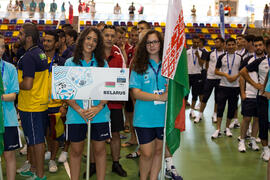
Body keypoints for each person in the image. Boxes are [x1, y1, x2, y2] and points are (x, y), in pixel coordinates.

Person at [65, 27, 110, 180]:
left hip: (99, 114)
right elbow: (65, 91)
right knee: (76, 151)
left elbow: (109, 89)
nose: (91, 42)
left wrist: (99, 106)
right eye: (88, 38)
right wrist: (78, 109)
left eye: (95, 40)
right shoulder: (70, 63)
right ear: (82, 39)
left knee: (99, 151)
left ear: (98, 45)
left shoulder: (102, 64)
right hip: (76, 114)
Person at [129, 29, 167, 180]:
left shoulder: (168, 65)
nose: (152, 45)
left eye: (155, 42)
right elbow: (136, 93)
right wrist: (160, 96)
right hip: (144, 117)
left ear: (160, 43)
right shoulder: (139, 65)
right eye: (148, 42)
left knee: (158, 151)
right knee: (146, 153)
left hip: (163, 116)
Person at [17, 23, 48, 180]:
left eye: (21, 34)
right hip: (39, 103)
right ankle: (35, 168)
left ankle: (40, 175)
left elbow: (27, 84)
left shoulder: (29, 57)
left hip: (31, 105)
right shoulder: (40, 53)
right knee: (35, 140)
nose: (18, 36)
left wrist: (14, 85)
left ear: (28, 38)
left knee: (36, 142)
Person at [103, 25, 127, 177]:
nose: (110, 38)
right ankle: (93, 164)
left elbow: (122, 77)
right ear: (102, 36)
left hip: (114, 102)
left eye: (112, 35)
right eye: (106, 35)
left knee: (115, 134)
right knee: (95, 136)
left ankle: (116, 163)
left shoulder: (118, 54)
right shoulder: (94, 54)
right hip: (97, 104)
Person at [240, 37, 270, 161]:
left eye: (260, 45)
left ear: (263, 47)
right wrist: (255, 84)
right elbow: (243, 72)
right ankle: (266, 150)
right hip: (262, 98)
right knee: (262, 124)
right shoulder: (261, 61)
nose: (259, 47)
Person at [42, 30, 66, 173]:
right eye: (44, 40)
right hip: (41, 104)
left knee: (55, 134)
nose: (46, 43)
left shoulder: (62, 63)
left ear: (56, 44)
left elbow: (67, 86)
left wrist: (64, 105)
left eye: (49, 41)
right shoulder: (38, 60)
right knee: (45, 133)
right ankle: (49, 152)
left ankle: (52, 159)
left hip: (57, 105)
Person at [0, 34, 21, 180]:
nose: (0, 49)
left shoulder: (10, 68)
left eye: (2, 46)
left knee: (9, 155)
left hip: (8, 119)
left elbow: (13, 95)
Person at [211, 38, 241, 139]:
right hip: (223, 86)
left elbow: (242, 71)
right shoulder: (222, 57)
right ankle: (218, 129)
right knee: (220, 108)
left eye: (233, 44)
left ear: (236, 45)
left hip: (235, 87)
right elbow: (216, 71)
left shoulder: (240, 57)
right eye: (229, 45)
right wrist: (225, 75)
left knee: (232, 108)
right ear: (226, 46)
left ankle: (227, 128)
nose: (231, 46)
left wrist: (235, 77)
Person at [194, 37, 224, 123]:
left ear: (222, 43)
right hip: (210, 78)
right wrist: (209, 73)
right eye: (215, 42)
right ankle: (199, 114)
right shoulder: (210, 53)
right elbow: (206, 65)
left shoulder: (224, 54)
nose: (216, 43)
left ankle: (215, 114)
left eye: (218, 42)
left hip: (220, 79)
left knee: (217, 99)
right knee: (205, 98)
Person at [238, 35, 260, 153]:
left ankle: (252, 140)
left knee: (257, 119)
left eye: (260, 45)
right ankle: (242, 140)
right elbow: (241, 77)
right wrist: (242, 93)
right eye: (256, 45)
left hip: (261, 95)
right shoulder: (248, 59)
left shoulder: (267, 59)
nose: (258, 47)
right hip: (249, 94)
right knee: (246, 118)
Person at [186, 36, 204, 118]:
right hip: (188, 74)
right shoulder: (187, 51)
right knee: (186, 93)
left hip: (197, 74)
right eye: (195, 42)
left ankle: (192, 110)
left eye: (198, 42)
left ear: (199, 42)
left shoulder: (201, 52)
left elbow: (201, 64)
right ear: (192, 41)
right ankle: (182, 110)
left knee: (195, 93)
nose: (196, 44)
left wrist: (198, 56)